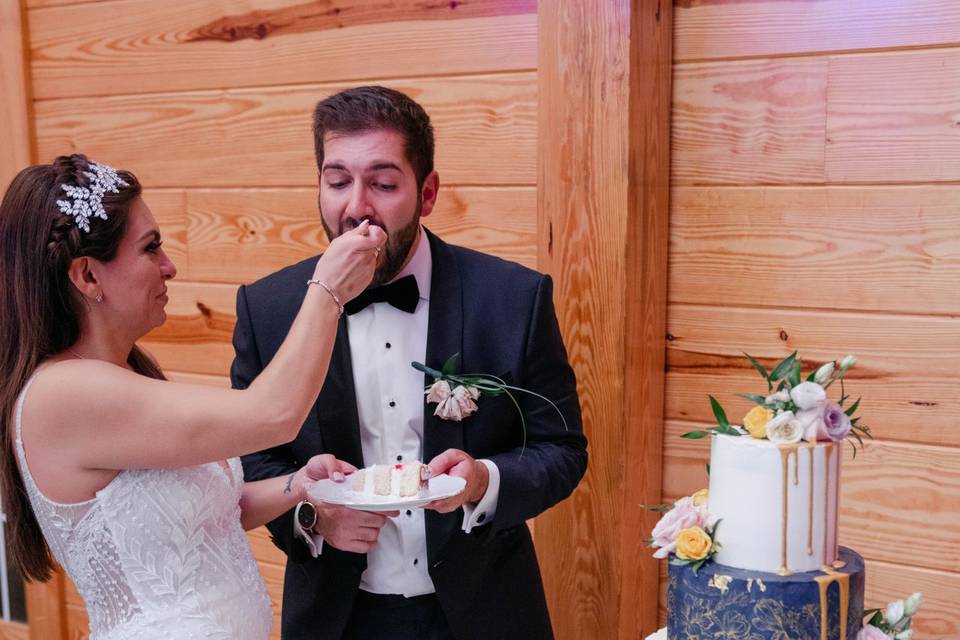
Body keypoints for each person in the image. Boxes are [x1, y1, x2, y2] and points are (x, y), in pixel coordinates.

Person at [233, 85, 588, 640]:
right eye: (337, 181)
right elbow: (252, 459)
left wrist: (482, 483)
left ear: (426, 193)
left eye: (383, 183)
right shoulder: (269, 307)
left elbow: (562, 450)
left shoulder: (513, 298)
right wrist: (311, 514)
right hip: (336, 618)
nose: (356, 209)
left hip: (487, 613)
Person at [0, 154, 385, 639]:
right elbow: (274, 414)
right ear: (88, 276)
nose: (170, 266)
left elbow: (208, 511)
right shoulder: (63, 393)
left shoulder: (123, 377)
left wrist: (298, 485)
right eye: (150, 248)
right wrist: (328, 289)